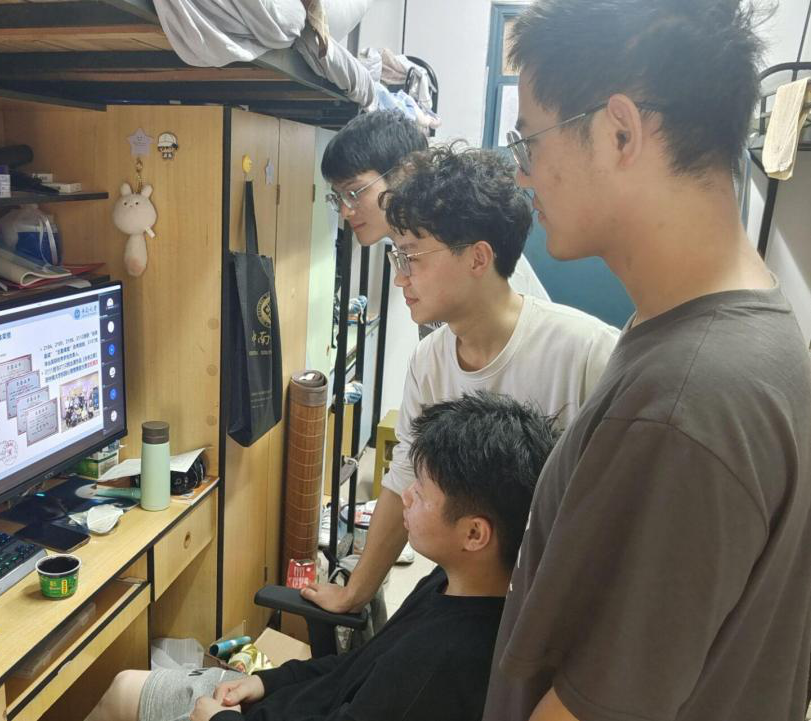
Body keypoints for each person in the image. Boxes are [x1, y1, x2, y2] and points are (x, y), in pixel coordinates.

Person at [481, 2, 811, 721]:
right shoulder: (733, 331)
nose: (524, 176)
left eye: (528, 141)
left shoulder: (689, 398)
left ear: (620, 131)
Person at [86, 392, 559, 721]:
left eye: (423, 491)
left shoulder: (446, 659)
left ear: (474, 533)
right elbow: (357, 668)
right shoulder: (450, 584)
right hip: (289, 701)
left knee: (121, 692)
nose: (406, 496)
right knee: (125, 686)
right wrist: (268, 683)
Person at [301, 144, 619, 616]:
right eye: (397, 257)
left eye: (411, 257)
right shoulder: (430, 360)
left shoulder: (589, 354)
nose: (400, 278)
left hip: (558, 606)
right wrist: (354, 593)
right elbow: (403, 477)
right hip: (472, 599)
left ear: (477, 258)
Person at [321, 109, 551, 302]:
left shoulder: (461, 246)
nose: (345, 211)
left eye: (355, 192)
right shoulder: (412, 242)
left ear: (406, 172)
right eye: (339, 197)